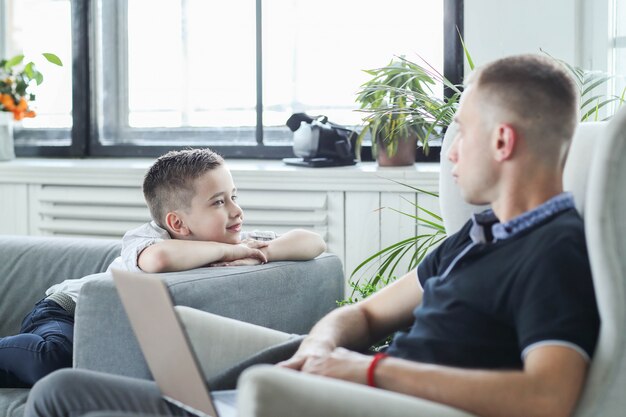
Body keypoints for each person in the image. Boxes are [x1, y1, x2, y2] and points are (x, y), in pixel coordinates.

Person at [25, 53, 599, 417]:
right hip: (322, 392)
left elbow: (546, 398)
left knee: (63, 396)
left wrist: (367, 370)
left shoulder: (556, 250)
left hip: (361, 400)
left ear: (502, 143)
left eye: (461, 134)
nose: (449, 152)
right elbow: (368, 316)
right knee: (61, 392)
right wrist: (323, 347)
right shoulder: (475, 238)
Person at [0, 148, 326, 388]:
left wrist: (256, 250)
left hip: (116, 335)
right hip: (68, 312)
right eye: (218, 202)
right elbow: (158, 261)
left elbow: (313, 242)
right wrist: (230, 251)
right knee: (52, 360)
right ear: (177, 223)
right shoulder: (148, 239)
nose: (236, 210)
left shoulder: (238, 243)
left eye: (234, 196)